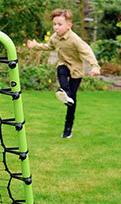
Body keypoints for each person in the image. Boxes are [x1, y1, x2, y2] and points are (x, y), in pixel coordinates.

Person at [27, 9, 100, 138]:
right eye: (54, 24)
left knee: (72, 101)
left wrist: (95, 67)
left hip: (76, 71)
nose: (56, 27)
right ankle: (65, 92)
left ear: (69, 26)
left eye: (59, 24)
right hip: (64, 64)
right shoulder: (55, 38)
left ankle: (68, 127)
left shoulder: (75, 39)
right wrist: (34, 46)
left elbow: (87, 52)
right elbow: (48, 46)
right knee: (61, 69)